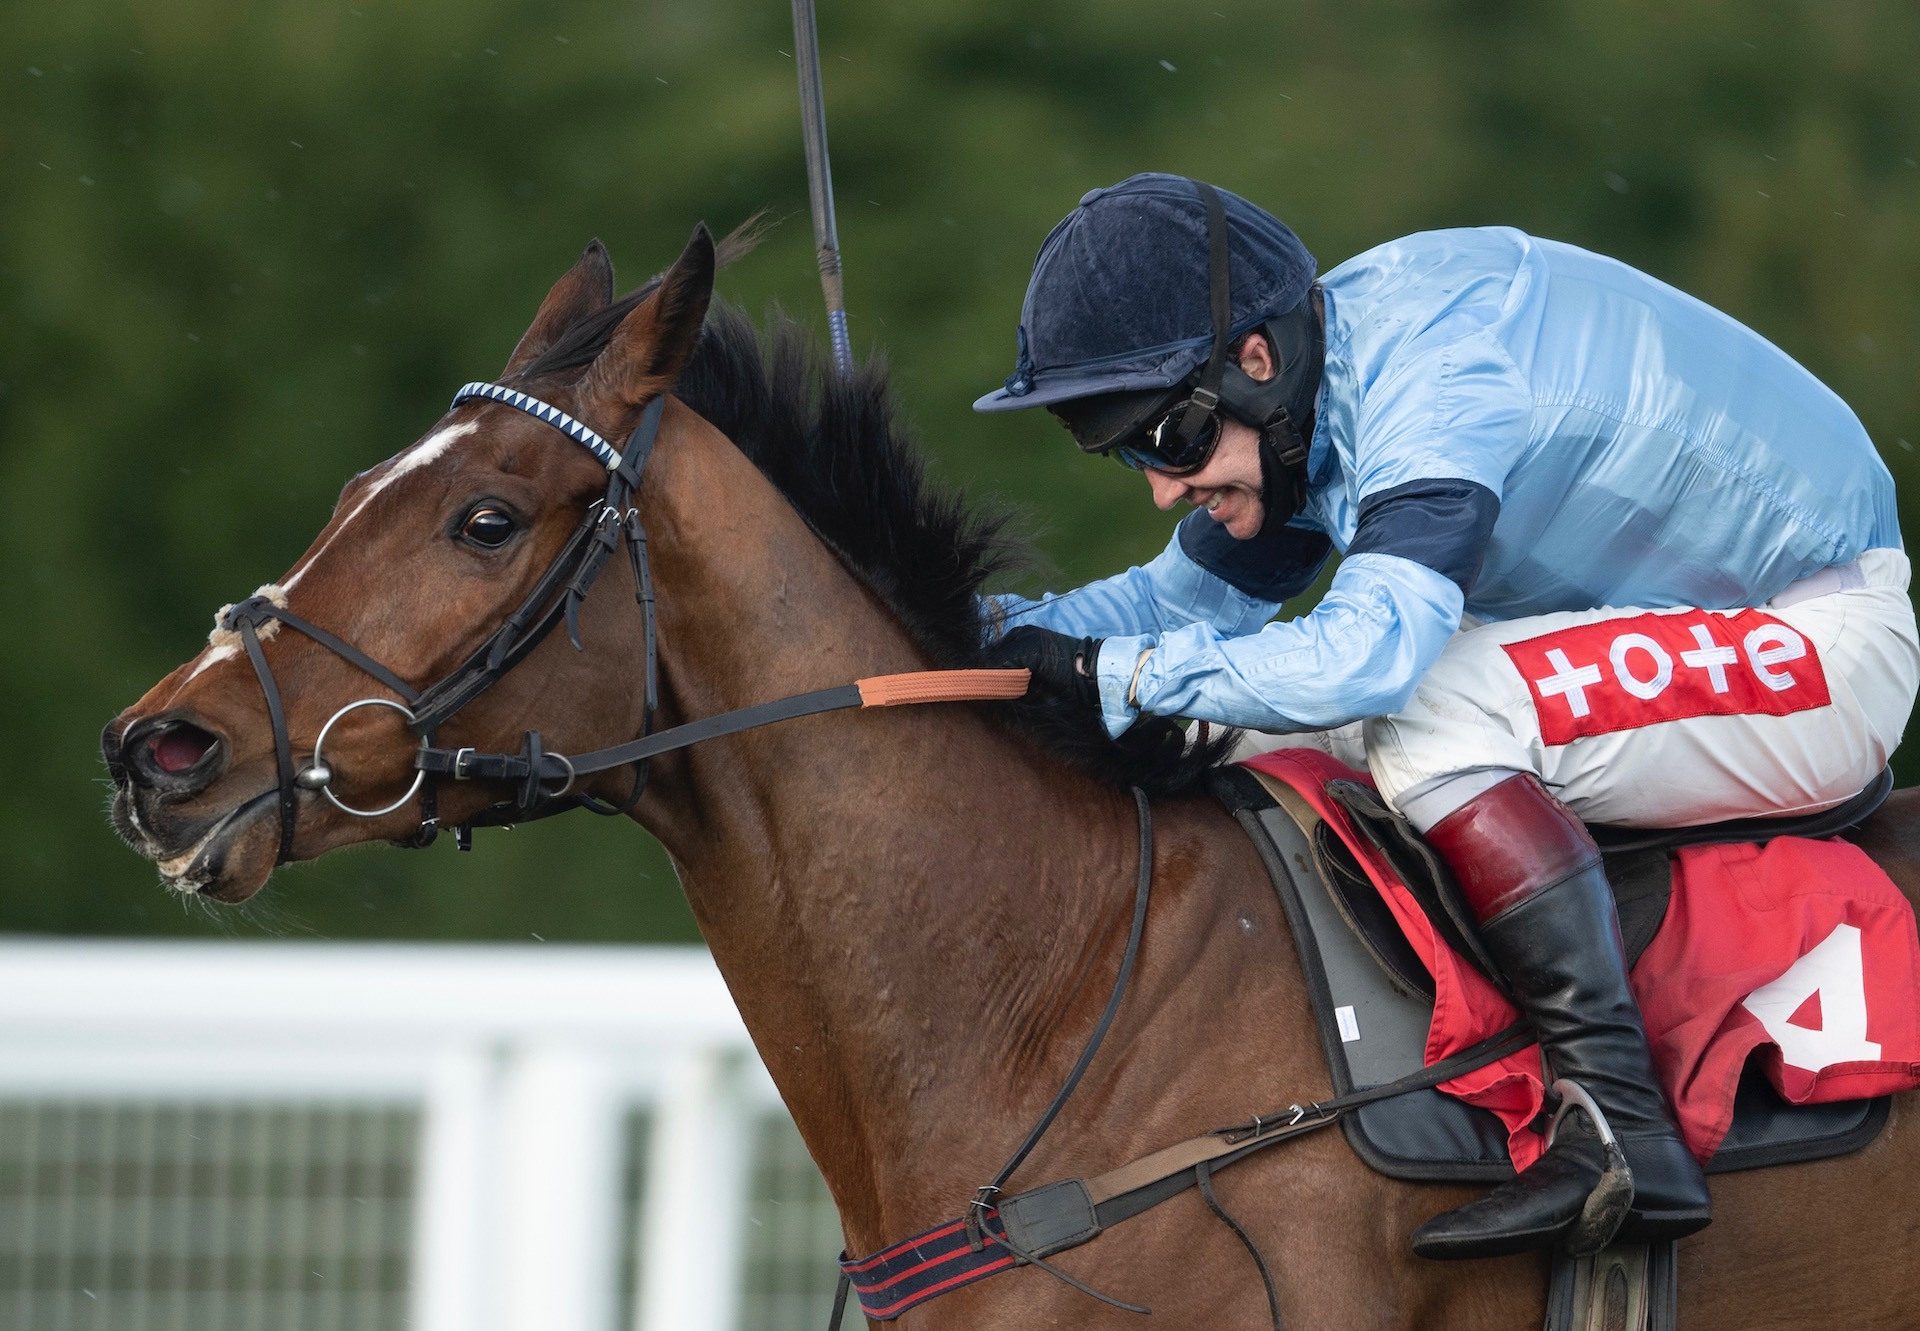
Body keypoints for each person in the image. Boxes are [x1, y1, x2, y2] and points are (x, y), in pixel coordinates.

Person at [976, 173, 1918, 1260]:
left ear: (1257, 360)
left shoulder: (1434, 374)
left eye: (1173, 441)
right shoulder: (1305, 411)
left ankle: (1619, 1123)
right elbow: (1163, 610)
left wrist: (1108, 672)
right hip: (1688, 631)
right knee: (1236, 721)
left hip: (1819, 643)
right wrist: (948, 619)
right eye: (1130, 453)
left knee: (1430, 706)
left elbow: (1372, 657)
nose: (1160, 485)